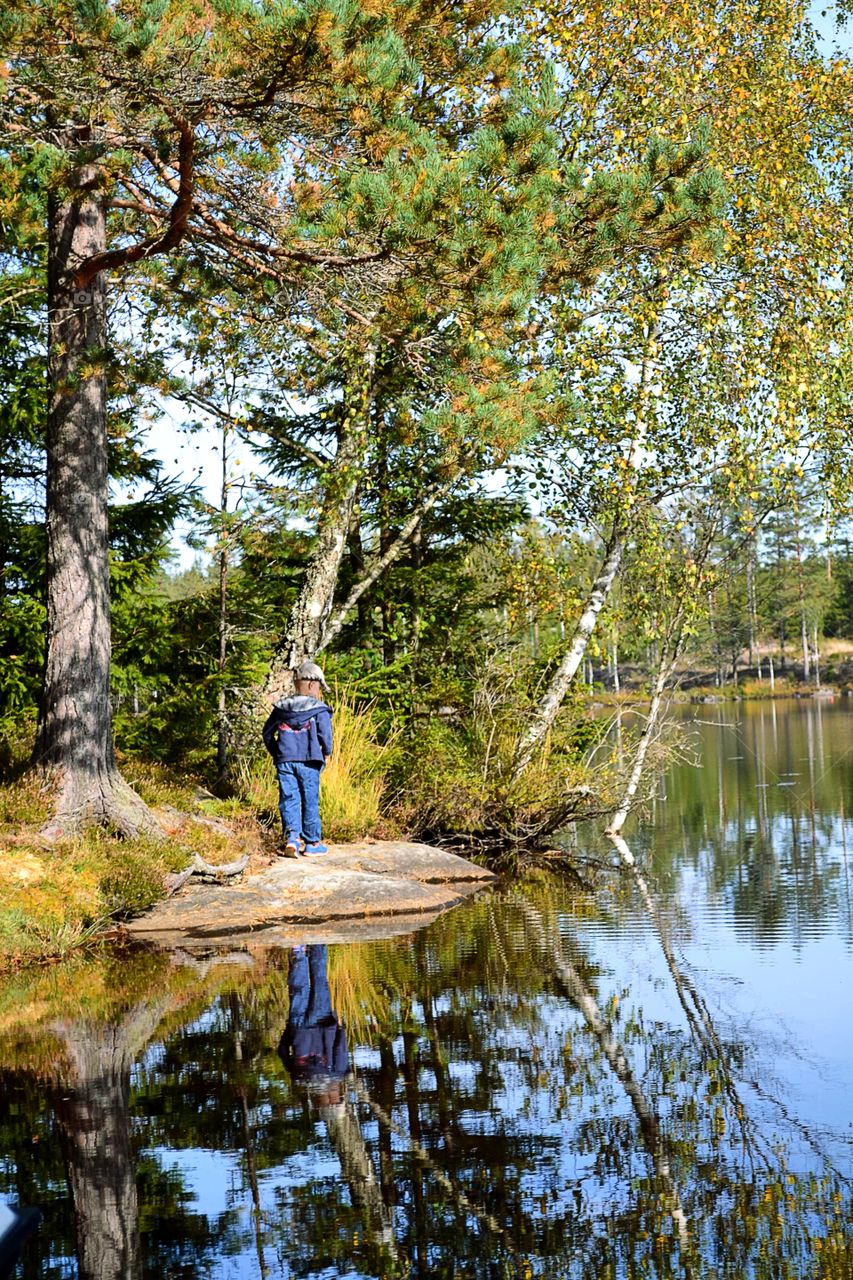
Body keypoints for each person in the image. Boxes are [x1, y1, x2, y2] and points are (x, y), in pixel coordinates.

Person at [262, 660, 333, 856]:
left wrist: (277, 753)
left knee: (289, 798)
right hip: (310, 761)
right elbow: (325, 735)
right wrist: (327, 752)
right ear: (312, 685)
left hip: (285, 760)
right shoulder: (319, 709)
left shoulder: (282, 708)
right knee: (310, 798)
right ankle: (312, 843)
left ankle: (292, 838)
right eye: (320, 686)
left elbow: (267, 734)